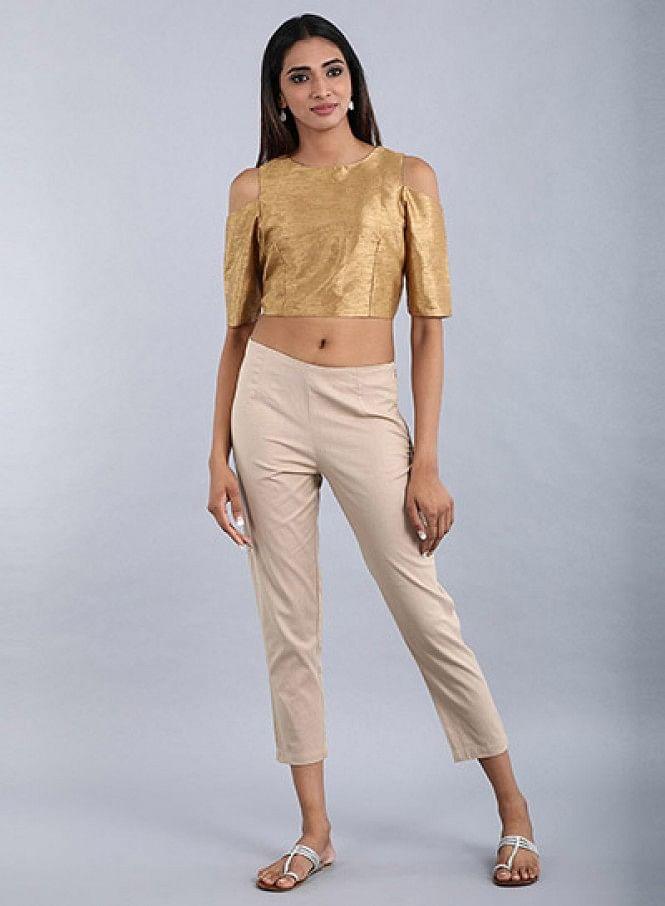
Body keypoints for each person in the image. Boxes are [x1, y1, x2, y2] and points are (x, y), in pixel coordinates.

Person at [207, 13, 541, 892]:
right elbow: (237, 329)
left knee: (424, 610)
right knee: (288, 622)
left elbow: (427, 327)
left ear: (352, 81)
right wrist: (215, 456)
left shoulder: (405, 177)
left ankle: (513, 810)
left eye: (331, 70)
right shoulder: (254, 189)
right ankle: (314, 830)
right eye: (298, 77)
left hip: (363, 404)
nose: (319, 89)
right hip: (267, 402)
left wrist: (424, 460)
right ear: (278, 97)